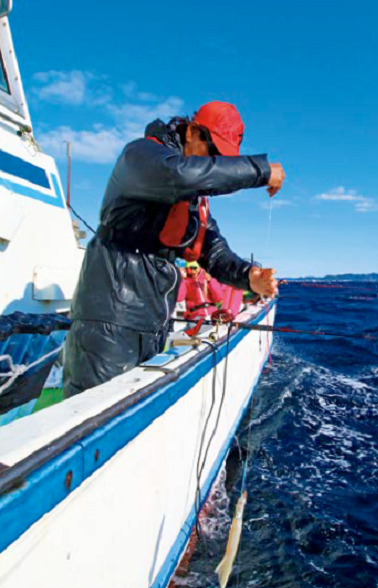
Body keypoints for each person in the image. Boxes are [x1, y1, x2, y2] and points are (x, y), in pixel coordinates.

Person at [63, 101, 285, 397]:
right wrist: (259, 171)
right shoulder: (142, 156)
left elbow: (213, 252)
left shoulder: (191, 198)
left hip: (154, 322)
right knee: (90, 418)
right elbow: (182, 173)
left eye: (222, 158)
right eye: (214, 153)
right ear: (192, 131)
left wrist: (249, 277)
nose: (215, 162)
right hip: (110, 321)